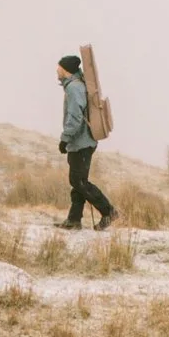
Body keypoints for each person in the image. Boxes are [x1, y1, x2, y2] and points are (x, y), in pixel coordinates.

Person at [55, 54, 115, 230]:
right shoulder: (77, 85)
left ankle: (109, 211)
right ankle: (74, 220)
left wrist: (64, 139)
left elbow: (74, 117)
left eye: (59, 67)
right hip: (84, 142)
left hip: (81, 142)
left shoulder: (73, 88)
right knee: (78, 181)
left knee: (78, 181)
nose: (56, 70)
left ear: (65, 70)